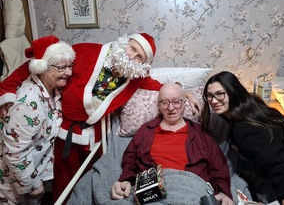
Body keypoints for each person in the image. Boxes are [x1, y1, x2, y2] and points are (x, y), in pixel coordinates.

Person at [0, 33, 201, 202]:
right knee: (63, 180)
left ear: (143, 65)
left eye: (139, 57)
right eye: (132, 48)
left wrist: (186, 93)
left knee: (89, 179)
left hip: (93, 132)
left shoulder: (135, 79)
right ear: (124, 42)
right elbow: (40, 63)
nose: (131, 56)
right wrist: (5, 90)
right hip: (65, 128)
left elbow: (160, 87)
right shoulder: (88, 50)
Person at [111, 83, 234, 205]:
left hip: (192, 191)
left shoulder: (201, 134)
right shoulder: (145, 131)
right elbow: (130, 159)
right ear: (159, 105)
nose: (170, 108)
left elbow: (218, 166)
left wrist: (223, 192)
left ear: (184, 103)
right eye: (164, 102)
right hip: (153, 193)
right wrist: (126, 180)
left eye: (176, 102)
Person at [201, 71, 284, 205]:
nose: (213, 101)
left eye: (220, 94)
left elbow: (280, 170)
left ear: (233, 92)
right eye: (209, 96)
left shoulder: (244, 128)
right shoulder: (251, 105)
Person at [0, 35, 75, 204]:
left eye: (70, 66)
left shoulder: (52, 90)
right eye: (62, 67)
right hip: (12, 183)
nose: (69, 72)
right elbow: (14, 153)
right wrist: (32, 185)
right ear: (43, 67)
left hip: (31, 172)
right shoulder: (28, 103)